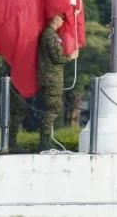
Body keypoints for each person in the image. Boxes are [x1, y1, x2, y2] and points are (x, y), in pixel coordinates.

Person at [37, 13, 79, 151]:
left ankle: (47, 140)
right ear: (55, 19)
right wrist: (71, 57)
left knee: (50, 109)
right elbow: (57, 58)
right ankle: (44, 142)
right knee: (53, 109)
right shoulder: (52, 35)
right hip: (52, 78)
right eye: (62, 19)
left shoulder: (47, 34)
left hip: (48, 77)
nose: (63, 22)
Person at [2, 64, 26, 152]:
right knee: (17, 113)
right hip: (13, 88)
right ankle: (10, 143)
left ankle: (11, 142)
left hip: (15, 87)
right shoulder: (13, 59)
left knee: (18, 113)